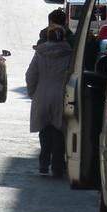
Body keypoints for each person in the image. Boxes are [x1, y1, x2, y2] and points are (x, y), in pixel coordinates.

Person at [25, 26, 72, 177]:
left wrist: (33, 93)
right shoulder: (69, 53)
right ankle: (58, 165)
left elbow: (30, 74)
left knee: (44, 129)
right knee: (59, 130)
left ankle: (44, 162)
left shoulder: (40, 53)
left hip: (42, 94)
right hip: (62, 96)